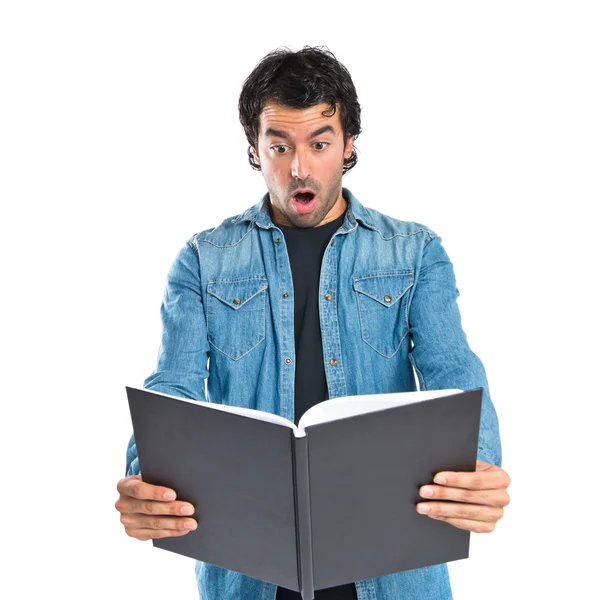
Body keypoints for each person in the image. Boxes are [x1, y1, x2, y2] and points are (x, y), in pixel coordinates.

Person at [115, 46, 511, 600]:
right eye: (279, 145)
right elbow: (173, 387)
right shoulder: (204, 259)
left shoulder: (415, 252)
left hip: (392, 572)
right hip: (249, 574)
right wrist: (146, 474)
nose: (299, 167)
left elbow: (453, 368)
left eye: (319, 144)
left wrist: (480, 463)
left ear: (349, 146)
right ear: (254, 150)